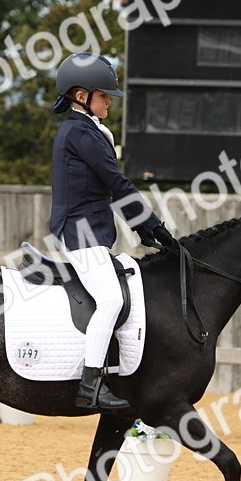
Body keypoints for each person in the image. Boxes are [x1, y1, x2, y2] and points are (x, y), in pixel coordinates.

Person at [49, 52, 179, 410]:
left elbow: (110, 189)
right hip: (79, 232)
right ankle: (90, 385)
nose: (109, 101)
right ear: (81, 96)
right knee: (111, 299)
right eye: (104, 95)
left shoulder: (86, 130)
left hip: (90, 230)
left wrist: (144, 230)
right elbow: (118, 184)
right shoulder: (80, 132)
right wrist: (154, 227)